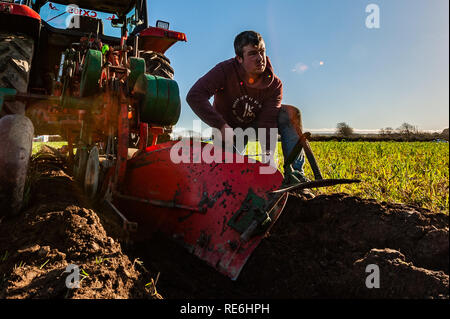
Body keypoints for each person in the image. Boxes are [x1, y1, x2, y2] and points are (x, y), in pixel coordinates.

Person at [186, 30, 309, 187]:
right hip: (227, 128)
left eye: (262, 52)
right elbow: (195, 95)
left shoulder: (274, 85)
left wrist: (269, 164)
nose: (260, 59)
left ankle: (295, 177)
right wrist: (221, 125)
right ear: (239, 58)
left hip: (255, 124)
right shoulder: (224, 71)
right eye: (252, 54)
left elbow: (267, 123)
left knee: (290, 113)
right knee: (231, 180)